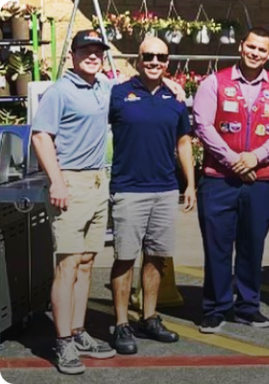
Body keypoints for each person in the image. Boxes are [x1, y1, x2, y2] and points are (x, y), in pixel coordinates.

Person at [193, 27, 269, 333]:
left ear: (268, 54)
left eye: (262, 50)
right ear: (241, 46)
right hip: (218, 180)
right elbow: (203, 125)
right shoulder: (214, 83)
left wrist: (254, 157)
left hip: (259, 179)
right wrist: (234, 160)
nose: (255, 53)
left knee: (253, 245)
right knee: (217, 246)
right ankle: (216, 307)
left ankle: (248, 306)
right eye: (251, 47)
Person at [31, 28, 119, 375]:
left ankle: (79, 331)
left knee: (86, 261)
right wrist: (57, 181)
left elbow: (131, 90)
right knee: (67, 265)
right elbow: (41, 137)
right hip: (70, 181)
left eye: (98, 50)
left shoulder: (103, 86)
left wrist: (171, 86)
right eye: (86, 50)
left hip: (98, 180)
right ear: (73, 54)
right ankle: (63, 341)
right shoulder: (60, 92)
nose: (93, 55)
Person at [107, 37, 196, 355]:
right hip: (129, 189)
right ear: (138, 58)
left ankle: (149, 317)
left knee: (157, 256)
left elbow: (183, 141)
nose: (155, 61)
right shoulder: (118, 94)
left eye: (161, 57)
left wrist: (190, 184)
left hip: (164, 189)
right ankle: (120, 323)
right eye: (149, 56)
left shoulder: (174, 98)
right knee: (125, 258)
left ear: (168, 61)